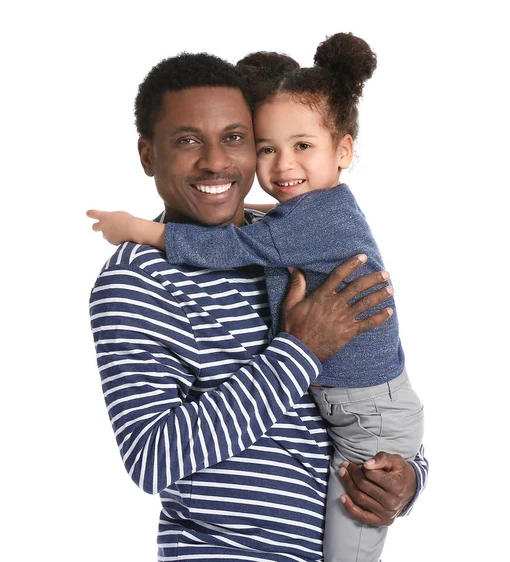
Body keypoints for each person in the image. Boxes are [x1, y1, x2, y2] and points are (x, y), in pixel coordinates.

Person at [89, 49, 428, 561]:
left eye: (235, 139)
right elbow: (151, 457)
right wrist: (301, 348)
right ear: (147, 155)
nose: (216, 161)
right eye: (187, 141)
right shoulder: (138, 280)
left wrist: (404, 480)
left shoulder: (285, 239)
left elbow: (363, 398)